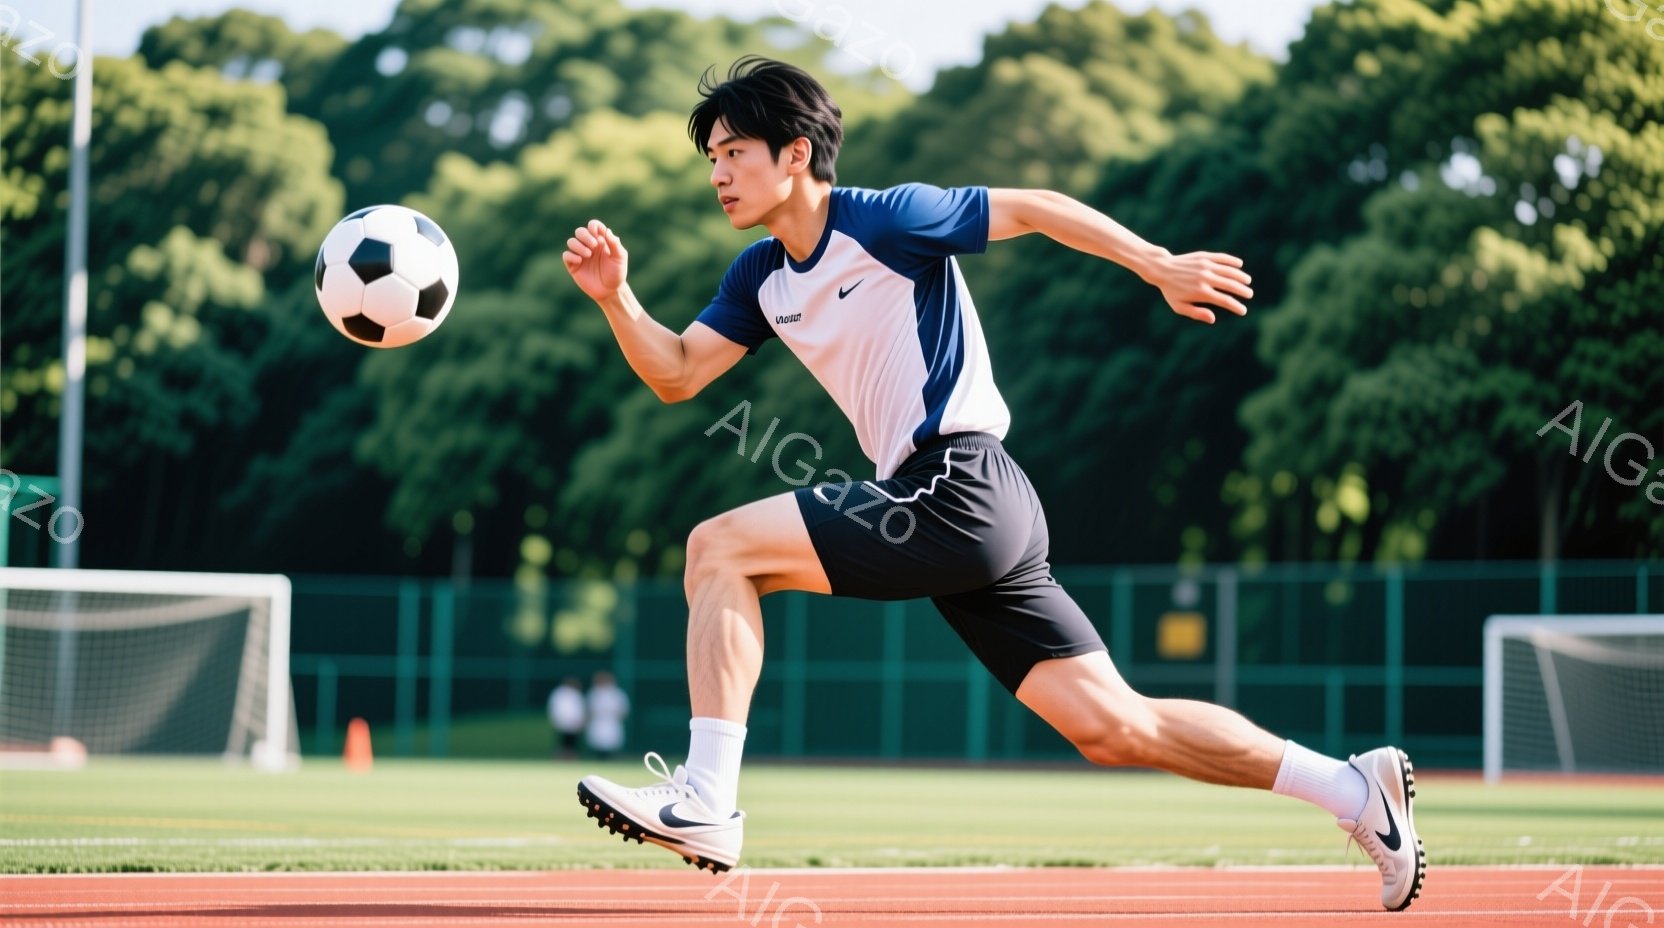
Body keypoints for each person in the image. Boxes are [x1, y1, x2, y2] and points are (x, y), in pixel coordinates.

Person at [562, 57, 1424, 910]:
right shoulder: (759, 275)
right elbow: (677, 373)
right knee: (1115, 726)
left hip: (960, 486)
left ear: (795, 154)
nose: (717, 173)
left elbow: (1038, 209)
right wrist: (617, 300)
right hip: (958, 508)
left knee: (718, 548)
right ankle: (1353, 790)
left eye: (733, 152)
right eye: (709, 157)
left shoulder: (891, 220)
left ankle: (709, 798)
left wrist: (1159, 263)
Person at [584, 671, 630, 760]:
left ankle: (610, 758)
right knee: (598, 741)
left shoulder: (617, 693)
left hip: (611, 722)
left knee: (611, 741)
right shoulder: (594, 693)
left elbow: (623, 709)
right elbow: (589, 709)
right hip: (598, 722)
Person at [547, 677, 585, 759]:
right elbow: (556, 708)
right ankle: (561, 758)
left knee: (573, 743)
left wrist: (580, 720)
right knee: (563, 742)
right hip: (562, 722)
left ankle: (572, 758)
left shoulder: (576, 694)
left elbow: (579, 709)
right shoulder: (559, 693)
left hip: (574, 723)